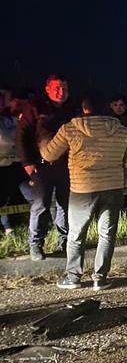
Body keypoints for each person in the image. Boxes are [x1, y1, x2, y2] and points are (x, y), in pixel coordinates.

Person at [39, 92, 127, 290]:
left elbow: (49, 153)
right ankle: (100, 278)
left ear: (84, 108)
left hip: (82, 189)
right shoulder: (122, 131)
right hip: (113, 188)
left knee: (76, 233)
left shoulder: (70, 129)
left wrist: (41, 139)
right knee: (107, 234)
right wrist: (123, 182)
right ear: (107, 108)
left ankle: (73, 277)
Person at [17, 75, 76, 260]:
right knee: (41, 204)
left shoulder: (73, 108)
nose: (61, 92)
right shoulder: (35, 107)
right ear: (48, 89)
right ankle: (36, 244)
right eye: (57, 88)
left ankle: (64, 242)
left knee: (65, 205)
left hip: (67, 166)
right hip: (40, 167)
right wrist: (27, 163)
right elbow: (22, 136)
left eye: (64, 88)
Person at [0, 89, 21, 236]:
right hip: (2, 164)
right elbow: (6, 139)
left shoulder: (11, 117)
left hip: (16, 162)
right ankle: (7, 227)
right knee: (2, 198)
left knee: (29, 193)